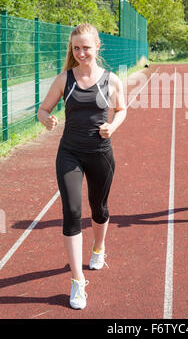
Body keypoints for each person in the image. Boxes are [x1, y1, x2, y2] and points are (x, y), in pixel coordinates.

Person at [38, 23, 126, 309]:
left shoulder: (111, 80)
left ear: (97, 46)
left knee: (99, 209)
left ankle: (98, 247)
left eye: (86, 47)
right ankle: (78, 282)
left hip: (100, 153)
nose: (80, 53)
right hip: (70, 154)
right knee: (72, 212)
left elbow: (121, 109)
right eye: (76, 48)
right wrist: (46, 120)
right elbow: (43, 109)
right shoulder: (65, 79)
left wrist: (112, 126)